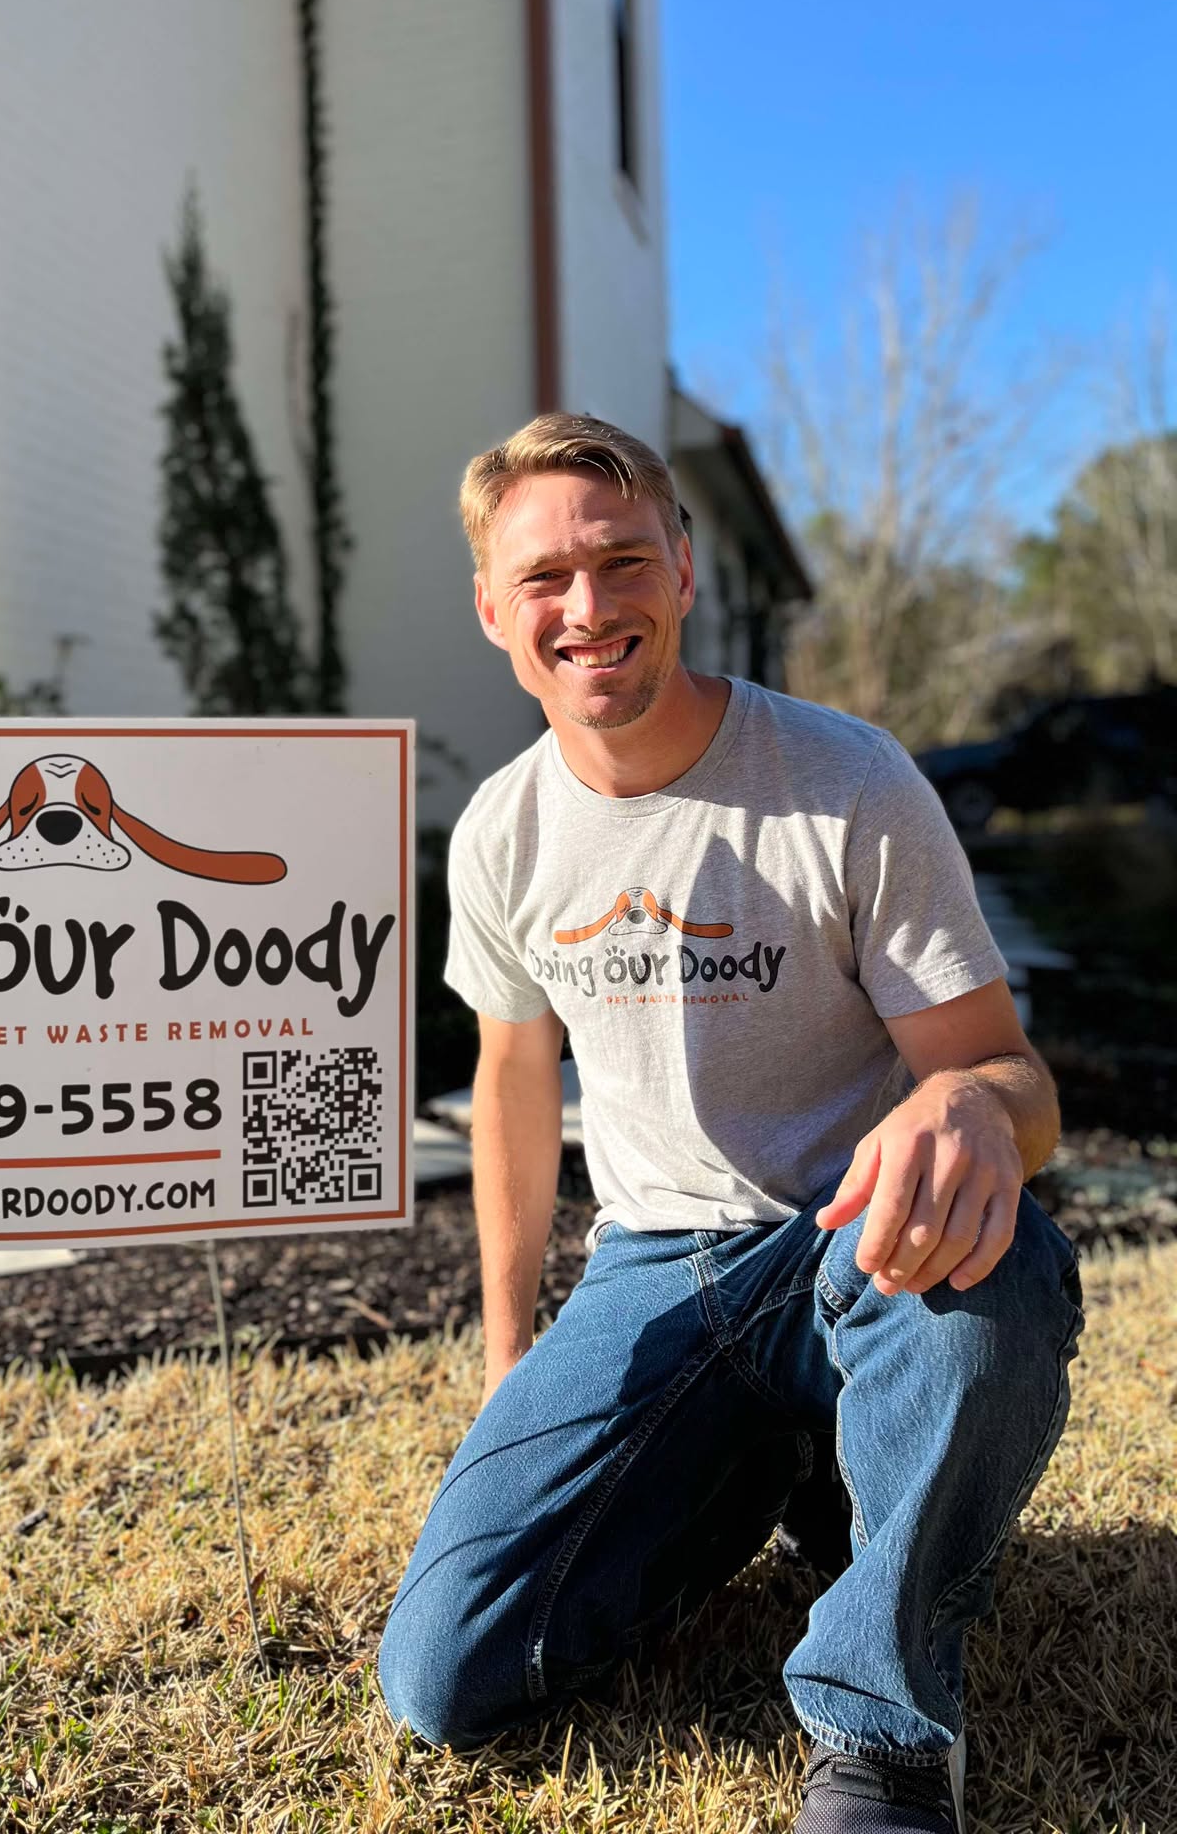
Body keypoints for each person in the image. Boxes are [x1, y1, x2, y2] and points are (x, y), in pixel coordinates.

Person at [377, 412, 1084, 1834]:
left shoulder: (846, 778)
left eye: (623, 559)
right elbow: (514, 1086)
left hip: (861, 1251)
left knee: (989, 1272)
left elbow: (1017, 1084)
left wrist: (964, 1111)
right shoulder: (505, 832)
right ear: (491, 611)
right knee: (446, 1677)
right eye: (545, 580)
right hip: (659, 1263)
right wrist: (513, 1347)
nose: (589, 607)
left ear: (684, 572)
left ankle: (879, 1734)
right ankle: (788, 1473)